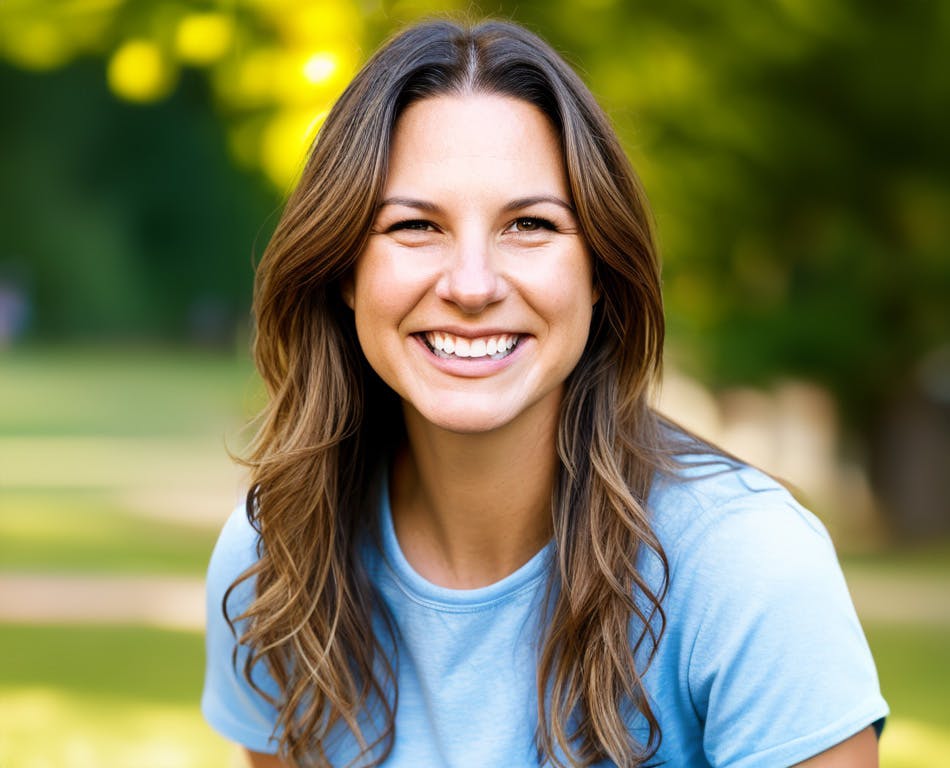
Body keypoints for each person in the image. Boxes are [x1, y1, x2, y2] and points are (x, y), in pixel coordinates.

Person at [202, 18, 887, 768]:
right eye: (414, 226)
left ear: (598, 272)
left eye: (529, 224)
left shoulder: (749, 566)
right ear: (343, 271)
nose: (470, 285)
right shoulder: (278, 555)